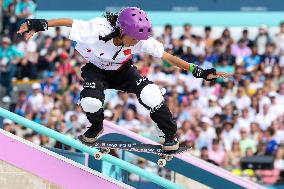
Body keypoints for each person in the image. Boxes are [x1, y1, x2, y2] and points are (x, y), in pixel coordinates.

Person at [17, 7, 229, 150]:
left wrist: (198, 71)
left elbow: (167, 57)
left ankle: (169, 136)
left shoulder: (139, 40)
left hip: (123, 71)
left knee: (151, 94)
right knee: (90, 101)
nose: (137, 42)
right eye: (134, 38)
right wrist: (39, 24)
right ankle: (96, 126)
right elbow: (69, 22)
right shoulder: (99, 29)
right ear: (122, 30)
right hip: (96, 70)